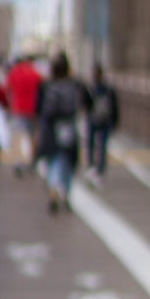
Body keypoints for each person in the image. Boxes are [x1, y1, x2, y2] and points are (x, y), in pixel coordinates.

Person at [38, 51, 85, 212]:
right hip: (69, 127)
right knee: (69, 161)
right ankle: (66, 191)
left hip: (51, 128)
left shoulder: (47, 86)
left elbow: (40, 109)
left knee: (54, 160)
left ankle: (54, 188)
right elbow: (87, 102)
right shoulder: (75, 85)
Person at [4, 51, 45, 174]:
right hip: (33, 110)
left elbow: (7, 90)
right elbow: (43, 91)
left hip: (18, 108)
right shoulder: (37, 74)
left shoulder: (15, 73)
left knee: (18, 136)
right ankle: (32, 162)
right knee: (32, 136)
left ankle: (18, 162)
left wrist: (9, 105)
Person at [86, 62, 119, 177]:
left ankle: (93, 165)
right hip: (103, 119)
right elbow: (114, 107)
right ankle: (99, 167)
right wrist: (115, 121)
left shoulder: (91, 88)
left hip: (95, 119)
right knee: (101, 144)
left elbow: (85, 105)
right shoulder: (107, 89)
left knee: (93, 144)